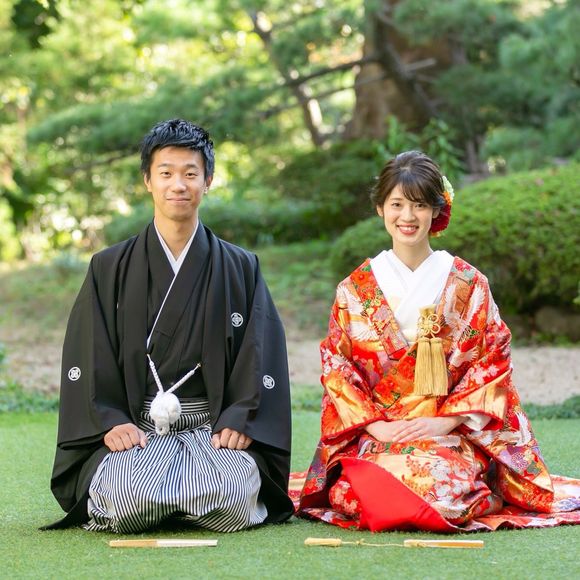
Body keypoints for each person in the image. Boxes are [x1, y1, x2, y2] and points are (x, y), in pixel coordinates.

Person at [297, 151, 580, 532]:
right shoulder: (355, 289)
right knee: (353, 493)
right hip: (382, 432)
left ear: (436, 209)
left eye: (419, 205)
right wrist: (376, 428)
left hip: (448, 432)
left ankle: (479, 485)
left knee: (439, 491)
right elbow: (338, 367)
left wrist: (444, 422)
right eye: (397, 204)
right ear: (380, 208)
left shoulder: (468, 283)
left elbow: (492, 359)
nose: (408, 216)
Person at [44, 119, 293, 533]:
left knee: (232, 492)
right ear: (148, 180)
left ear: (207, 181)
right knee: (127, 495)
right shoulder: (109, 266)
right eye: (166, 173)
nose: (178, 185)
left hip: (210, 430)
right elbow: (89, 353)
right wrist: (111, 420)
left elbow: (260, 351)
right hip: (138, 429)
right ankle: (169, 499)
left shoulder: (240, 266)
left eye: (190, 174)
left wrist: (239, 418)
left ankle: (184, 498)